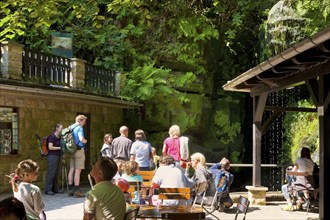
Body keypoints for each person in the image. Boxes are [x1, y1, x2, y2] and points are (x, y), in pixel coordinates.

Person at [281, 147, 315, 211]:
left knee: (286, 186)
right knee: (298, 184)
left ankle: (290, 204)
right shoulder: (311, 162)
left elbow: (293, 171)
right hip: (310, 186)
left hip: (300, 186)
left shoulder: (299, 161)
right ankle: (302, 201)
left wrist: (290, 169)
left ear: (301, 153)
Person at [68, 114, 88, 198]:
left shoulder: (71, 127)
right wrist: (85, 141)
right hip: (79, 151)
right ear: (80, 120)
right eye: (83, 121)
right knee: (78, 171)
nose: (84, 123)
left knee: (71, 169)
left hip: (71, 150)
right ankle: (76, 190)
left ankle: (70, 189)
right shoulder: (79, 128)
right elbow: (81, 139)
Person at [45, 123, 64, 195]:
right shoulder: (52, 137)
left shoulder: (59, 137)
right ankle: (48, 189)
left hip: (57, 155)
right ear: (57, 128)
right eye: (61, 128)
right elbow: (50, 147)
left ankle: (55, 189)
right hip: (52, 156)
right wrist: (60, 148)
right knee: (51, 172)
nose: (62, 129)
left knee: (56, 172)